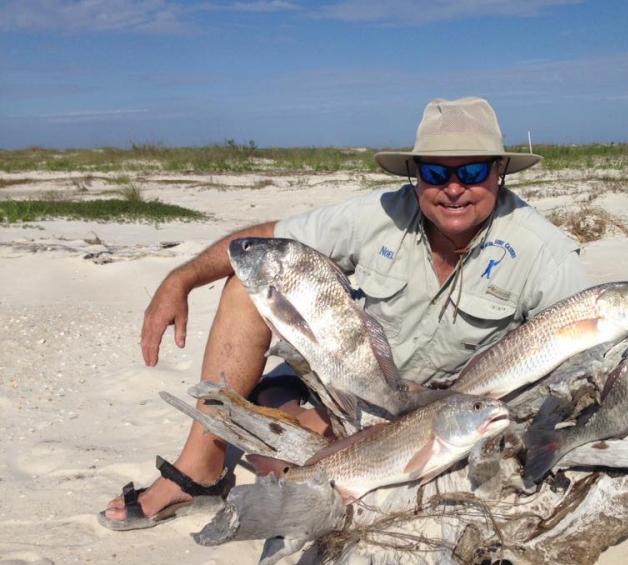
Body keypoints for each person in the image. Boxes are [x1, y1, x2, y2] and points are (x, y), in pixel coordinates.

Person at [100, 96, 589, 530]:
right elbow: (265, 243)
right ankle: (199, 471)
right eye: (437, 173)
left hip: (443, 411)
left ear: (499, 170)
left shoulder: (544, 252)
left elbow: (580, 364)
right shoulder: (379, 213)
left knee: (293, 451)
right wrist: (179, 280)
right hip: (350, 385)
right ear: (416, 176)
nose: (454, 188)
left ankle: (298, 448)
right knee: (245, 287)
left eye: (473, 171)